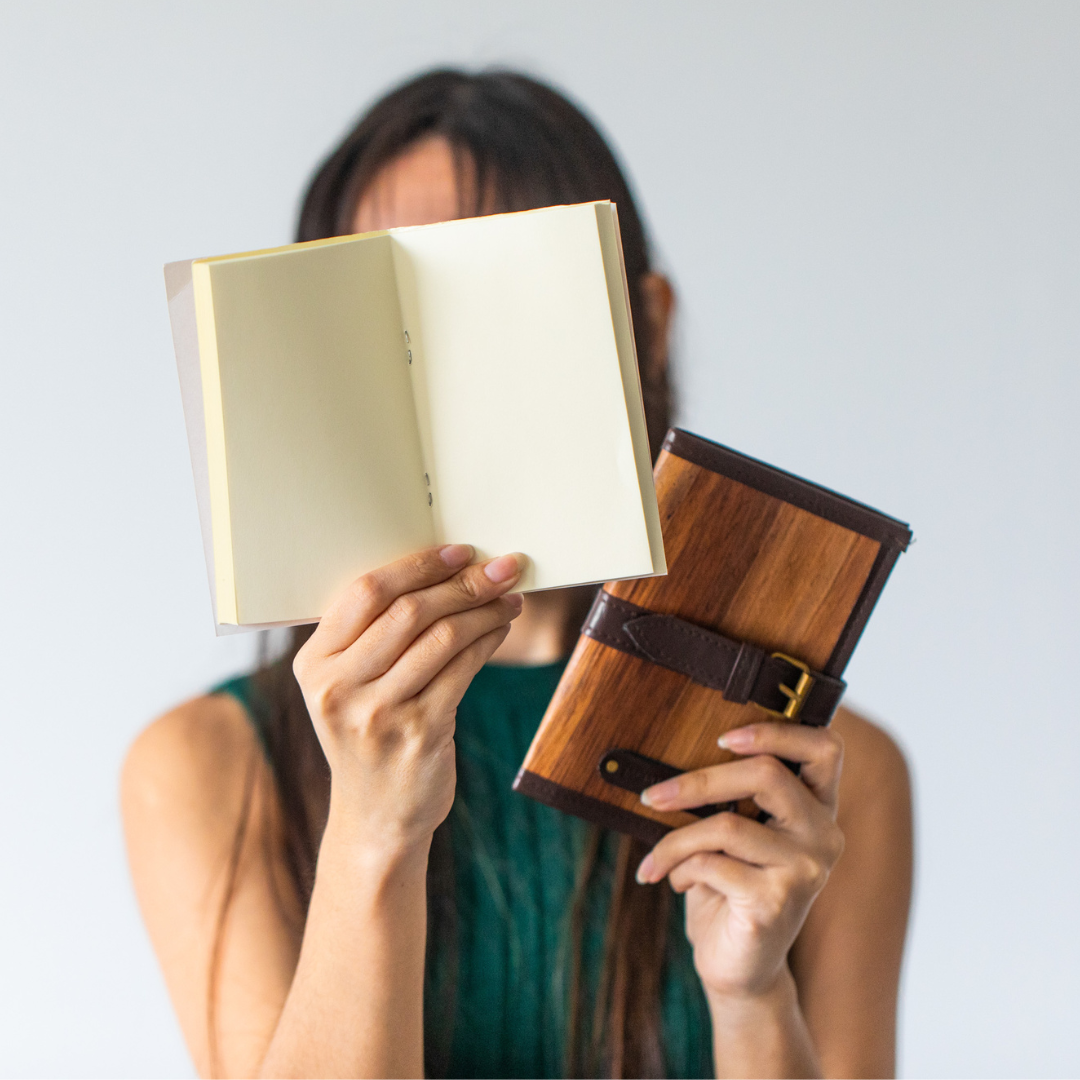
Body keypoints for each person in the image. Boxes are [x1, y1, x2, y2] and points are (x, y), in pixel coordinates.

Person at [122, 69, 913, 1080]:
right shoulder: (208, 766)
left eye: (503, 298)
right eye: (390, 323)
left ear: (646, 326)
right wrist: (374, 832)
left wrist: (752, 997)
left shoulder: (817, 775)